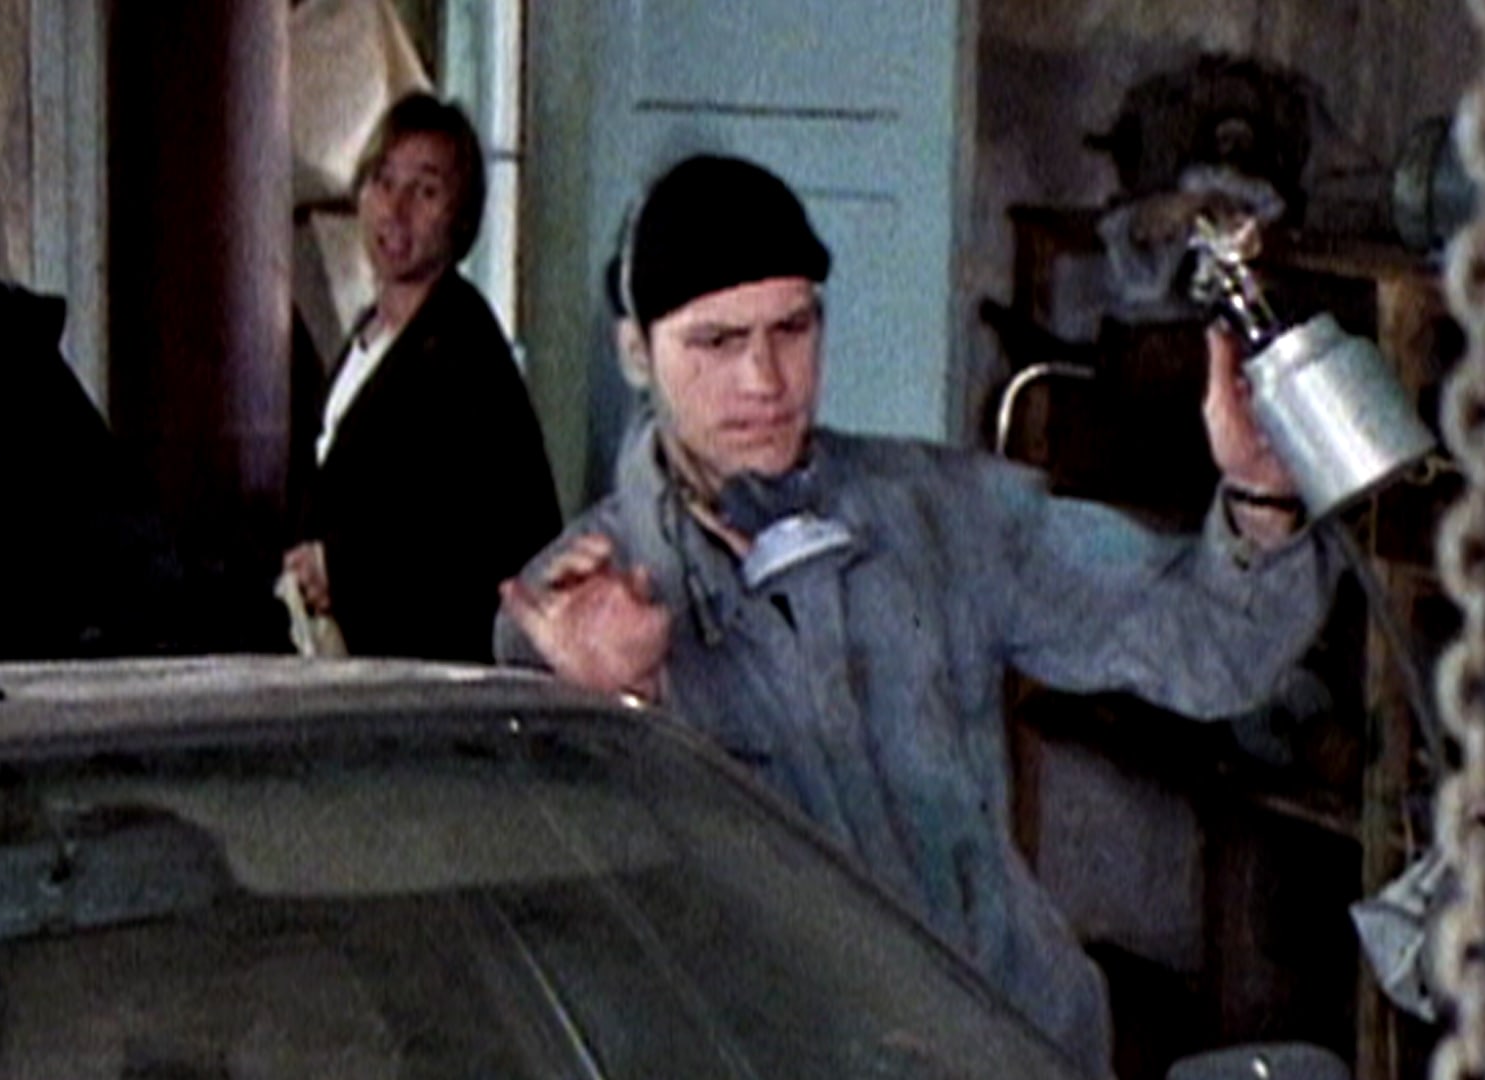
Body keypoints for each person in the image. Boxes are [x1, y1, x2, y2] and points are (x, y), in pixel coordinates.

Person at [494, 154, 1339, 1077]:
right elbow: (557, 951)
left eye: (792, 328)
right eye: (717, 341)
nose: (764, 379)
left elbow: (1213, 652)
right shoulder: (566, 612)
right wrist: (618, 708)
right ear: (636, 351)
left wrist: (1262, 500)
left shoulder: (939, 513)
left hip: (1009, 1048)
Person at [284, 92, 560, 662]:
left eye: (426, 191)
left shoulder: (463, 348)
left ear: (460, 216)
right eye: (382, 182)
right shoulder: (371, 333)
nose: (396, 208)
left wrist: (343, 567)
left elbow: (475, 531)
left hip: (437, 668)